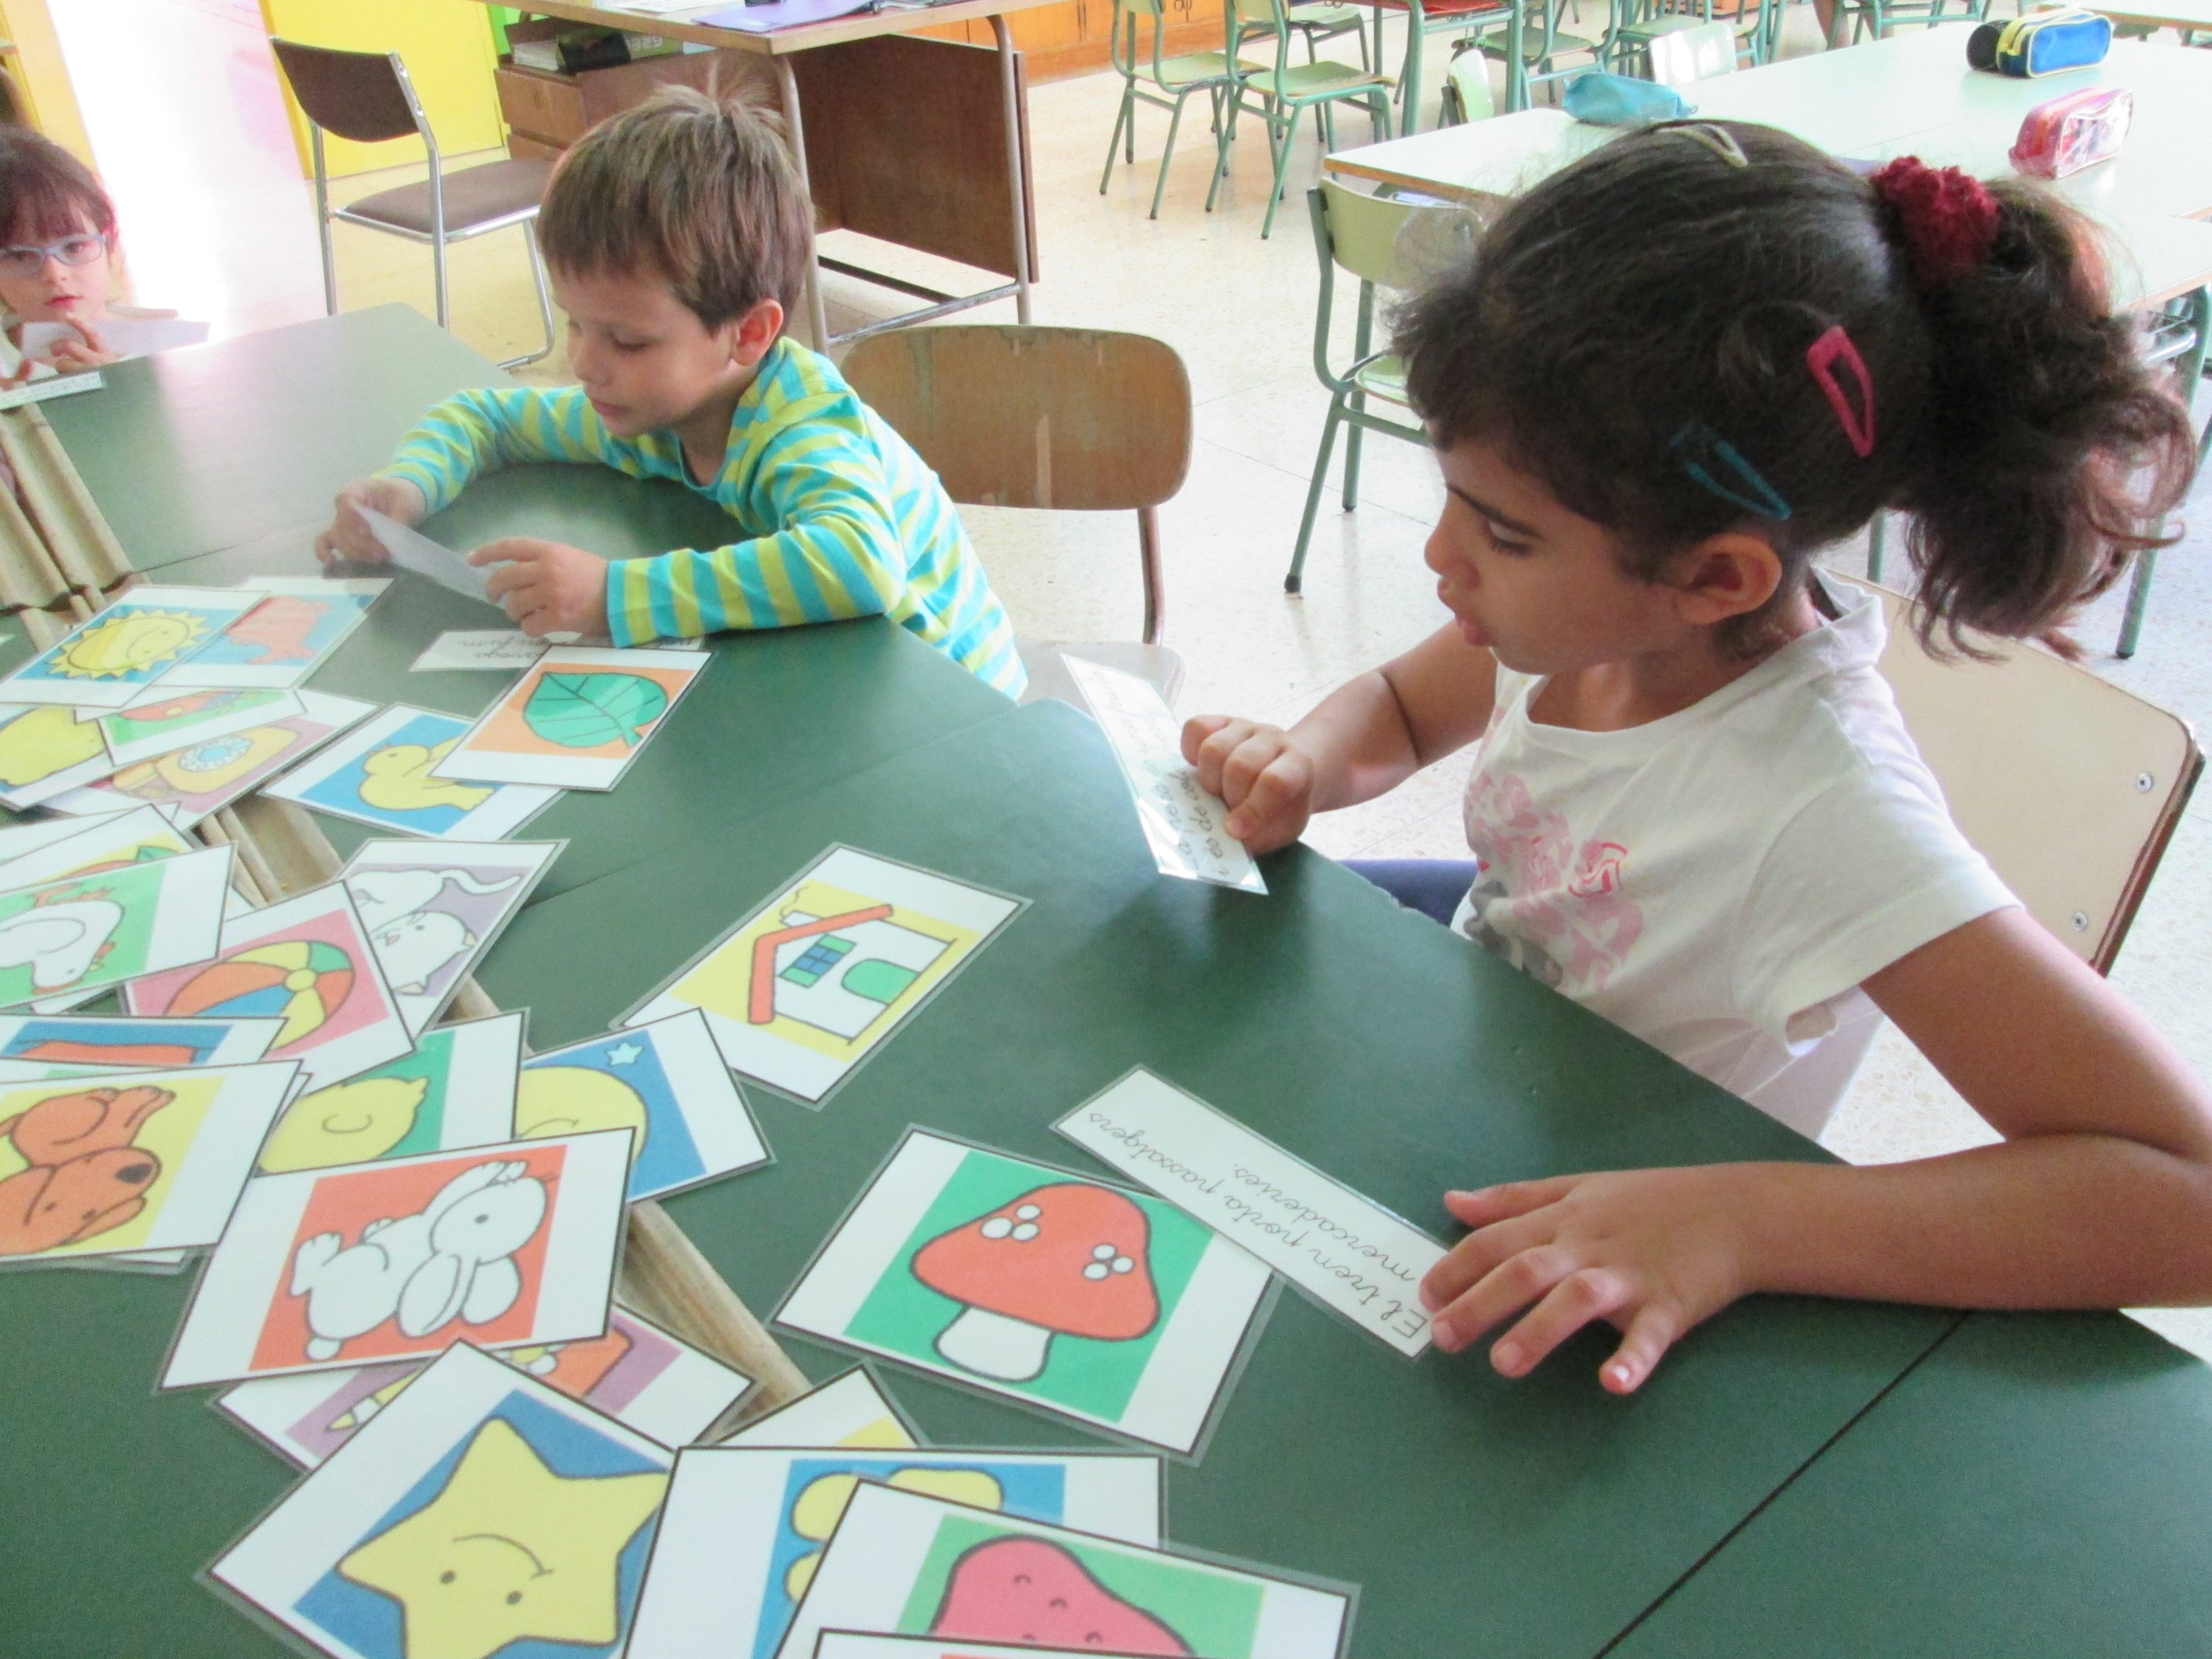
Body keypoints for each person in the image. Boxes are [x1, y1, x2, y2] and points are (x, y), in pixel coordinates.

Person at [1184, 124, 2212, 1395]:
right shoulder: (1587, 625)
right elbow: (1396, 707)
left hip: (1612, 1233)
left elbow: (2185, 1194)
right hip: (1493, 1080)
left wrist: (1746, 1221)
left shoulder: (1822, 809)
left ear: (1716, 576)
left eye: (1502, 534)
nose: (1442, 557)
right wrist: (1306, 759)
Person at [316, 89, 1025, 696]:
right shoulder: (650, 404)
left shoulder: (801, 425)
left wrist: (612, 594)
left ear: (748, 334)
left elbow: (859, 563)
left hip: (956, 704)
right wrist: (407, 486)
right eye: (576, 325)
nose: (585, 364)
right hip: (840, 678)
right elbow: (485, 417)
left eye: (627, 341)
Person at [0, 129, 134, 377]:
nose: (54, 274)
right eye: (19, 255)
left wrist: (119, 388)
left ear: (109, 242)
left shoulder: (171, 347)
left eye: (74, 246)